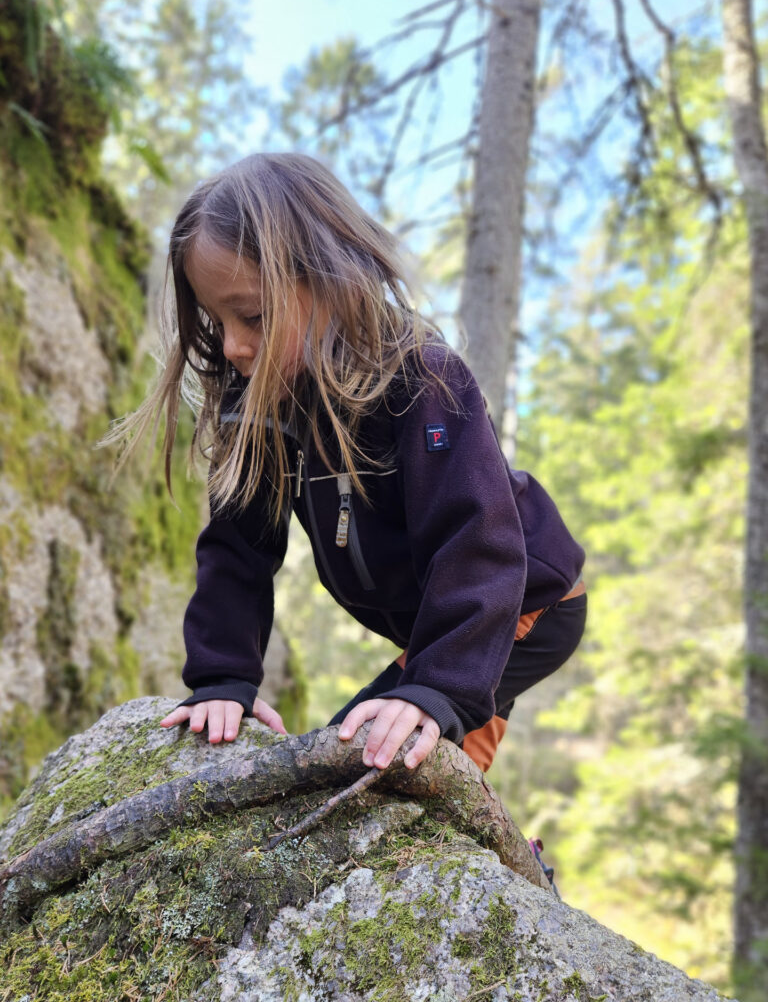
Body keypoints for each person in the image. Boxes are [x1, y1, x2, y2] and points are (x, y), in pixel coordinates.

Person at [115, 152, 586, 774]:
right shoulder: (256, 400)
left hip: (526, 598)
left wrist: (436, 690)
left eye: (252, 316)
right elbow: (238, 549)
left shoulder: (422, 380)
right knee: (410, 768)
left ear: (331, 279)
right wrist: (224, 678)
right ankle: (501, 853)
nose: (232, 344)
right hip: (440, 623)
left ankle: (500, 863)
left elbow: (476, 540)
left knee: (359, 764)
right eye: (216, 320)